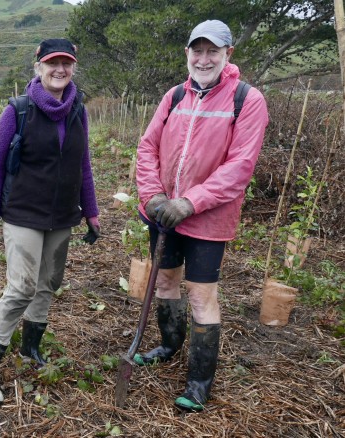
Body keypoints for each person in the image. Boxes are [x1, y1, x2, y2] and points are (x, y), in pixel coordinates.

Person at [135, 20, 269, 412]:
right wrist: (154, 196)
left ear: (228, 54)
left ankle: (198, 383)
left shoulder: (246, 98)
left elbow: (240, 166)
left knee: (201, 294)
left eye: (213, 51)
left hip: (207, 219)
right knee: (165, 282)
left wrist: (190, 202)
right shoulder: (175, 95)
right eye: (198, 50)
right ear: (188, 54)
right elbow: (147, 149)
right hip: (163, 213)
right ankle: (169, 345)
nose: (204, 58)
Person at [0, 38, 101, 404]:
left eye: (66, 62)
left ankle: (30, 348)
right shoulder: (18, 110)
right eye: (52, 62)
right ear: (39, 66)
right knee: (21, 287)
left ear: (73, 67)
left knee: (47, 284)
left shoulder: (79, 109)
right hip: (24, 214)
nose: (59, 69)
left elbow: (83, 165)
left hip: (62, 216)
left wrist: (90, 211)